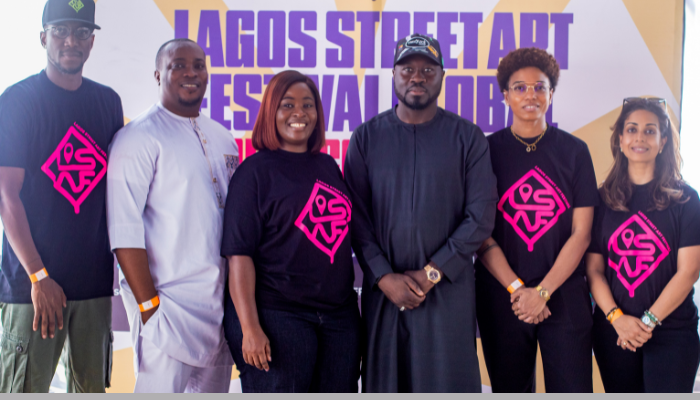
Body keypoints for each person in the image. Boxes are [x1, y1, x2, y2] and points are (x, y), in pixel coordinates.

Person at [344, 33, 498, 393]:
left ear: (442, 76)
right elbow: (355, 218)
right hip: (385, 295)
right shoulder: (366, 138)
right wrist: (384, 277)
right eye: (407, 69)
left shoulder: (468, 138)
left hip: (447, 292)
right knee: (387, 384)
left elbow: (480, 216)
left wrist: (433, 272)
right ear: (394, 75)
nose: (417, 77)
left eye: (428, 70)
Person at [0, 0, 122, 392]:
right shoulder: (18, 100)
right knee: (22, 390)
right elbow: (6, 195)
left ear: (92, 42)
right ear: (43, 38)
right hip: (32, 287)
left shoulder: (108, 102)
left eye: (82, 32)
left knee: (90, 390)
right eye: (60, 31)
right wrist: (39, 276)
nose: (71, 41)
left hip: (93, 285)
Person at [106, 38, 237, 393]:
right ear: (158, 74)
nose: (190, 73)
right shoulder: (137, 138)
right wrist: (150, 309)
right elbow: (124, 231)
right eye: (178, 65)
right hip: (166, 313)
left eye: (198, 66)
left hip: (218, 316)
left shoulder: (223, 138)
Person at [222, 70, 360, 393]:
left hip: (338, 318)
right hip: (278, 315)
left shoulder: (328, 166)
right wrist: (250, 328)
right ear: (271, 111)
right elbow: (239, 256)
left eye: (308, 105)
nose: (299, 113)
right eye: (288, 105)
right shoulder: (253, 173)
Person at [474, 47, 598, 392]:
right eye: (520, 87)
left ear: (551, 93)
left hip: (564, 293)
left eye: (540, 87)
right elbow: (479, 231)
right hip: (503, 296)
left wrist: (542, 292)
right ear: (505, 95)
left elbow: (582, 233)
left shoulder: (575, 151)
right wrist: (519, 291)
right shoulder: (485, 151)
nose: (531, 95)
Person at [586, 98, 700, 393]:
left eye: (650, 131)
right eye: (632, 129)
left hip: (672, 332)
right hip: (615, 331)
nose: (640, 137)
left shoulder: (686, 199)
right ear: (620, 139)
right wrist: (617, 318)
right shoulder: (601, 200)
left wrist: (647, 322)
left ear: (663, 141)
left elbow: (689, 271)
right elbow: (594, 270)